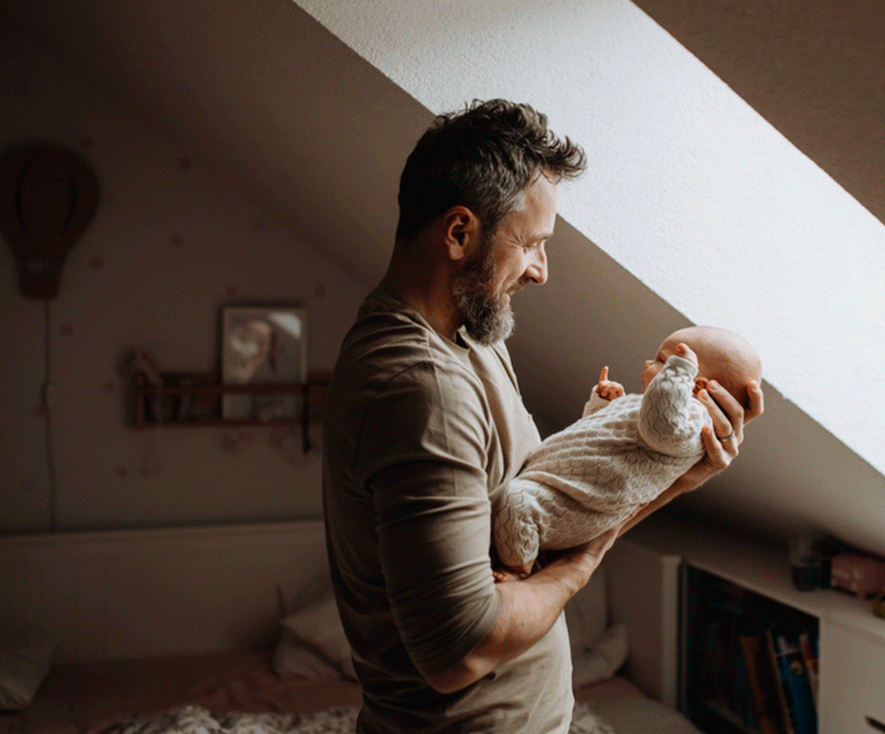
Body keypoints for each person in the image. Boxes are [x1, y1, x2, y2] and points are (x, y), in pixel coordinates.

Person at [321, 99, 764, 734]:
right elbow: (459, 650)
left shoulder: (470, 334)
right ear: (458, 234)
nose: (542, 271)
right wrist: (585, 562)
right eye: (530, 244)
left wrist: (674, 472)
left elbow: (545, 496)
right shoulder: (419, 387)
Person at [492, 326, 762, 578]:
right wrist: (604, 404)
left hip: (571, 503)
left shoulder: (690, 423)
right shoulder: (649, 410)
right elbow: (600, 439)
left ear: (695, 385)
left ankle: (518, 568)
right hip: (559, 480)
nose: (647, 364)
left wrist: (679, 370)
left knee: (518, 505)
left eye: (662, 361)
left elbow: (660, 427)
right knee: (519, 502)